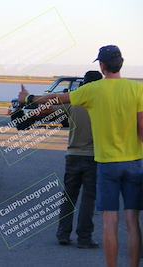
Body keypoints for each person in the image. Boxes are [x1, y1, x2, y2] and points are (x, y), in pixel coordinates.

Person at [18, 45, 143, 267]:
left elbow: (57, 100)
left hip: (98, 162)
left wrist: (28, 99)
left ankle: (72, 239)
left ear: (103, 66)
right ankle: (117, 256)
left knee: (106, 218)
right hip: (130, 162)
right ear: (121, 63)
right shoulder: (137, 90)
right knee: (131, 220)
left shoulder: (90, 92)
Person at [56, 71, 103, 249]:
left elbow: (54, 109)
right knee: (88, 199)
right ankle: (84, 238)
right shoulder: (102, 103)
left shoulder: (74, 101)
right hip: (94, 156)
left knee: (68, 196)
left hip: (73, 155)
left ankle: (63, 234)